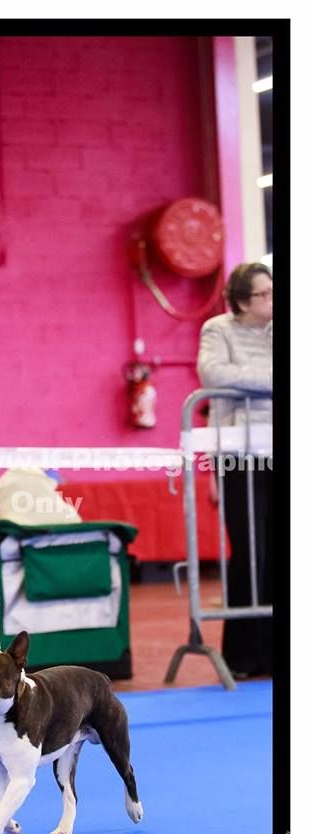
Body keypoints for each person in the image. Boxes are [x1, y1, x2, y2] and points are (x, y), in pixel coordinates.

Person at [197, 262, 272, 679]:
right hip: (239, 453)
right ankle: (241, 656)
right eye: (265, 294)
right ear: (243, 301)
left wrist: (251, 380)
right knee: (249, 551)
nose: (273, 300)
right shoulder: (217, 329)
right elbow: (213, 373)